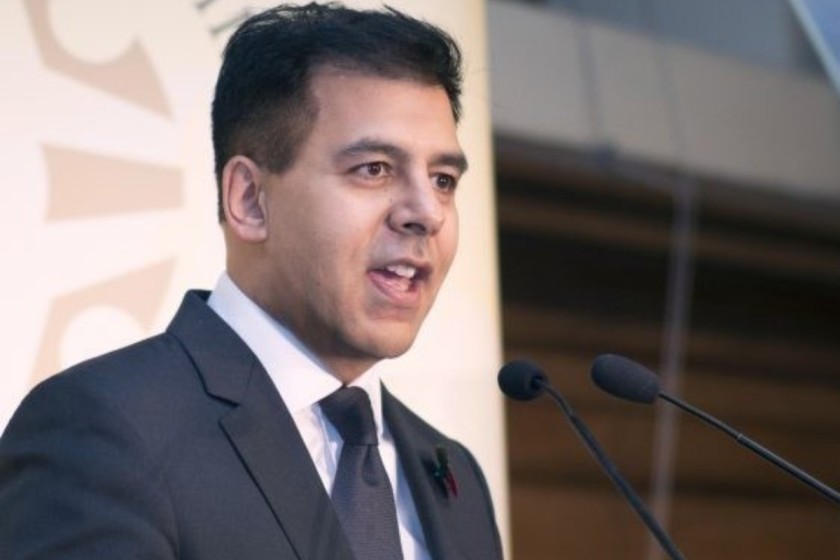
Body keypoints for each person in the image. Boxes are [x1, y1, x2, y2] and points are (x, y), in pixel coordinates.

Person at [0, 3, 503, 559]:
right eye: (374, 169)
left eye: (443, 179)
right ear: (249, 200)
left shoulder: (453, 473)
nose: (427, 213)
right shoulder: (104, 431)